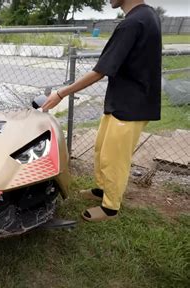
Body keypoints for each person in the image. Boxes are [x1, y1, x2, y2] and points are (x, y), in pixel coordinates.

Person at [41, 0, 161, 222]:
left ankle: (110, 207)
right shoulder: (146, 16)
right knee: (101, 148)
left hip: (131, 105)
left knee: (114, 157)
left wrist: (61, 94)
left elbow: (100, 71)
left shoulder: (133, 22)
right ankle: (103, 189)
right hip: (123, 100)